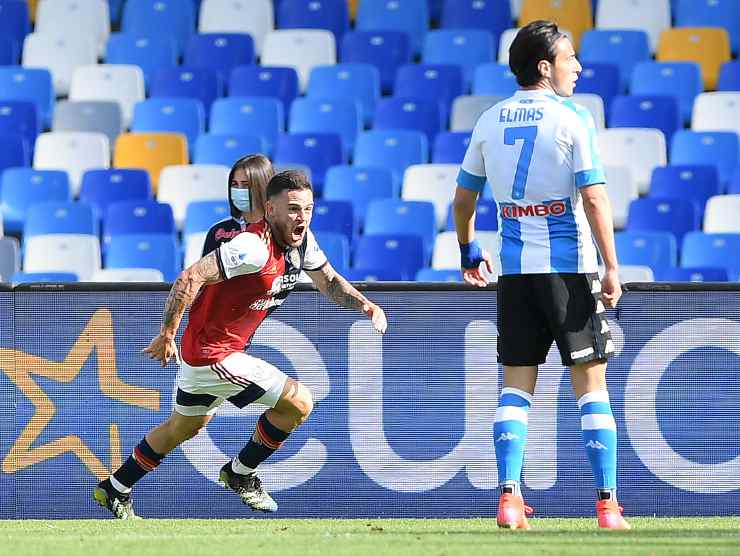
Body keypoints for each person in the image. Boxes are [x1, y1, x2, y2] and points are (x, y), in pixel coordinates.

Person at [93, 170, 388, 519]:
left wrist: (365, 304)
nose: (302, 217)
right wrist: (167, 332)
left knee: (183, 427)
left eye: (308, 209)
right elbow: (190, 276)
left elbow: (330, 282)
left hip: (207, 355)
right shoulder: (251, 247)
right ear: (270, 209)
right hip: (212, 355)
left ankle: (116, 486)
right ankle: (240, 473)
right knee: (299, 402)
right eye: (293, 209)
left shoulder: (303, 242)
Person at [453, 20, 629, 530]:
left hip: (515, 276)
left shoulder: (490, 119)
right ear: (544, 67)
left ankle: (508, 497)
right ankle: (607, 506)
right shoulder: (572, 118)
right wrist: (612, 266)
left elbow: (464, 199)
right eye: (570, 57)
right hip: (569, 271)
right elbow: (594, 196)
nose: (579, 66)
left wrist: (468, 249)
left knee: (515, 389)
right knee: (592, 388)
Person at [201, 153, 274, 256]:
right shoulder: (218, 231)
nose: (239, 190)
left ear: (263, 186)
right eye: (234, 184)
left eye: (246, 185)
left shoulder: (281, 229)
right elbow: (204, 271)